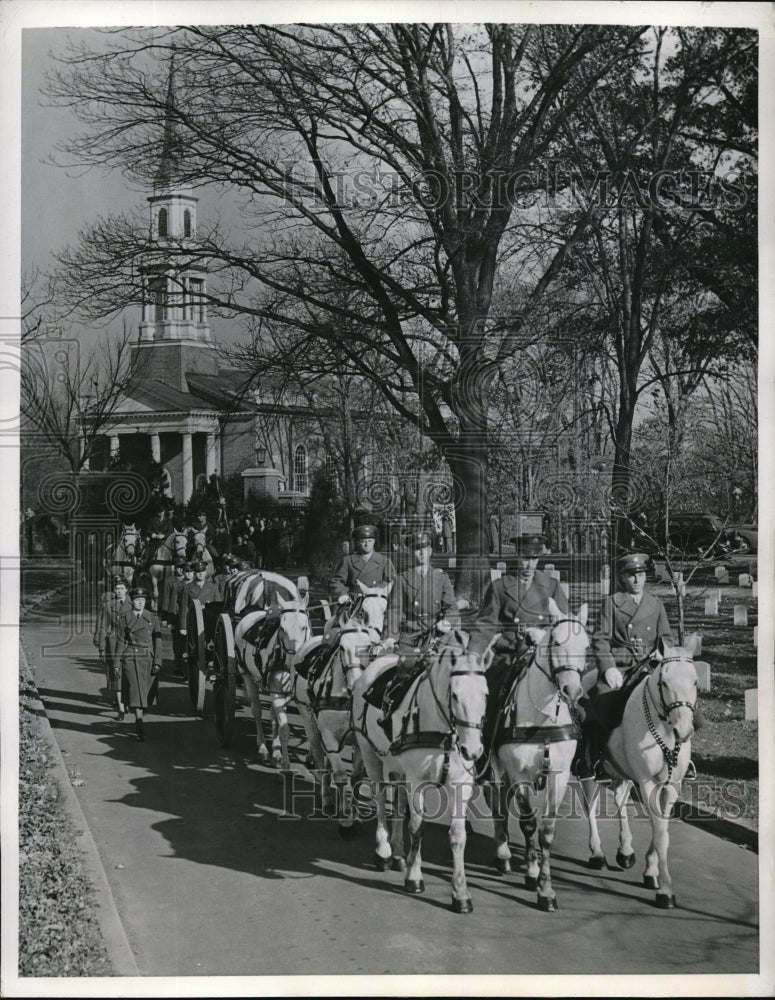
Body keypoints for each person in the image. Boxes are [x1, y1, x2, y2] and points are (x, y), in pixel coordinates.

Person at [574, 552, 675, 780]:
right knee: (601, 704)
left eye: (640, 574)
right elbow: (600, 640)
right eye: (631, 575)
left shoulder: (655, 604)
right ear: (622, 577)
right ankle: (597, 759)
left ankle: (679, 760)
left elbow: (667, 637)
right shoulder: (612, 603)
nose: (637, 580)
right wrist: (608, 667)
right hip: (621, 668)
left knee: (682, 706)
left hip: (650, 667)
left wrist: (663, 651)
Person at [467, 534, 568, 748]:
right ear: (516, 556)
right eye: (524, 558)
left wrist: (544, 636)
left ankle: (578, 753)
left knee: (571, 697)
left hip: (541, 657)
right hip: (509, 656)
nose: (528, 564)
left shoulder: (551, 586)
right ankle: (487, 750)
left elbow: (564, 626)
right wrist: (474, 653)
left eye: (534, 559)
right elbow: (486, 624)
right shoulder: (500, 586)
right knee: (489, 697)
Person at [375, 531, 460, 733]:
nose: (420, 554)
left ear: (430, 551)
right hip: (411, 636)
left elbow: (452, 608)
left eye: (424, 549)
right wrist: (390, 637)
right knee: (404, 669)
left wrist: (447, 622)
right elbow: (395, 611)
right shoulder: (403, 579)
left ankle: (459, 718)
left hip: (438, 636)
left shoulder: (441, 578)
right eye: (416, 550)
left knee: (458, 669)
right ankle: (391, 712)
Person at [119, 586, 162, 741]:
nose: (140, 603)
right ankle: (139, 723)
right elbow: (119, 641)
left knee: (145, 694)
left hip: (147, 658)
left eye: (142, 600)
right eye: (137, 600)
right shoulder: (124, 618)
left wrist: (158, 661)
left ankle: (139, 716)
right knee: (135, 692)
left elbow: (158, 641)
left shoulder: (152, 617)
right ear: (132, 602)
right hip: (130, 657)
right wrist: (117, 663)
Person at [94, 576, 132, 718]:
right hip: (113, 644)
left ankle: (127, 701)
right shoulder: (108, 606)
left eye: (122, 588)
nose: (119, 591)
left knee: (129, 674)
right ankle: (121, 708)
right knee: (115, 675)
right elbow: (104, 628)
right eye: (117, 588)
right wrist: (102, 648)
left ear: (127, 590)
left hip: (129, 644)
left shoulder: (134, 604)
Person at [330, 524, 396, 604]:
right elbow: (337, 582)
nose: (367, 544)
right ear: (358, 542)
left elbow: (392, 583)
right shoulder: (348, 561)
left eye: (369, 541)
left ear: (374, 541)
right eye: (363, 541)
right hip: (353, 603)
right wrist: (343, 594)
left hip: (377, 602)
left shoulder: (384, 561)